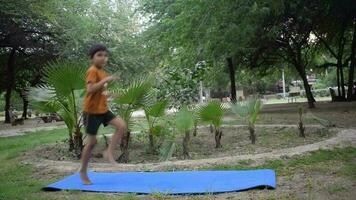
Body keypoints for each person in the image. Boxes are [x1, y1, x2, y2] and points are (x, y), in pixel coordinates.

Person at [79, 44, 127, 185]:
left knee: (122, 126)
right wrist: (106, 80)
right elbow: (90, 89)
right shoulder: (92, 71)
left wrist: (111, 94)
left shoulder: (103, 73)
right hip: (92, 112)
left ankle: (108, 152)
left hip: (103, 110)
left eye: (105, 55)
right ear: (92, 58)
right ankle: (83, 171)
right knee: (92, 142)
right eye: (99, 55)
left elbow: (101, 92)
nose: (103, 58)